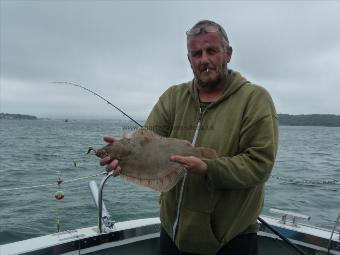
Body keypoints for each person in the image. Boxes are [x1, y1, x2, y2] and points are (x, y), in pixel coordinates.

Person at [101, 20, 278, 255]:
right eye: (196, 53)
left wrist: (208, 167)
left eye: (212, 51)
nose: (204, 59)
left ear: (228, 54)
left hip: (230, 239)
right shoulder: (173, 97)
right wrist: (120, 155)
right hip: (173, 233)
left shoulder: (254, 99)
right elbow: (146, 143)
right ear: (189, 60)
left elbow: (260, 164)